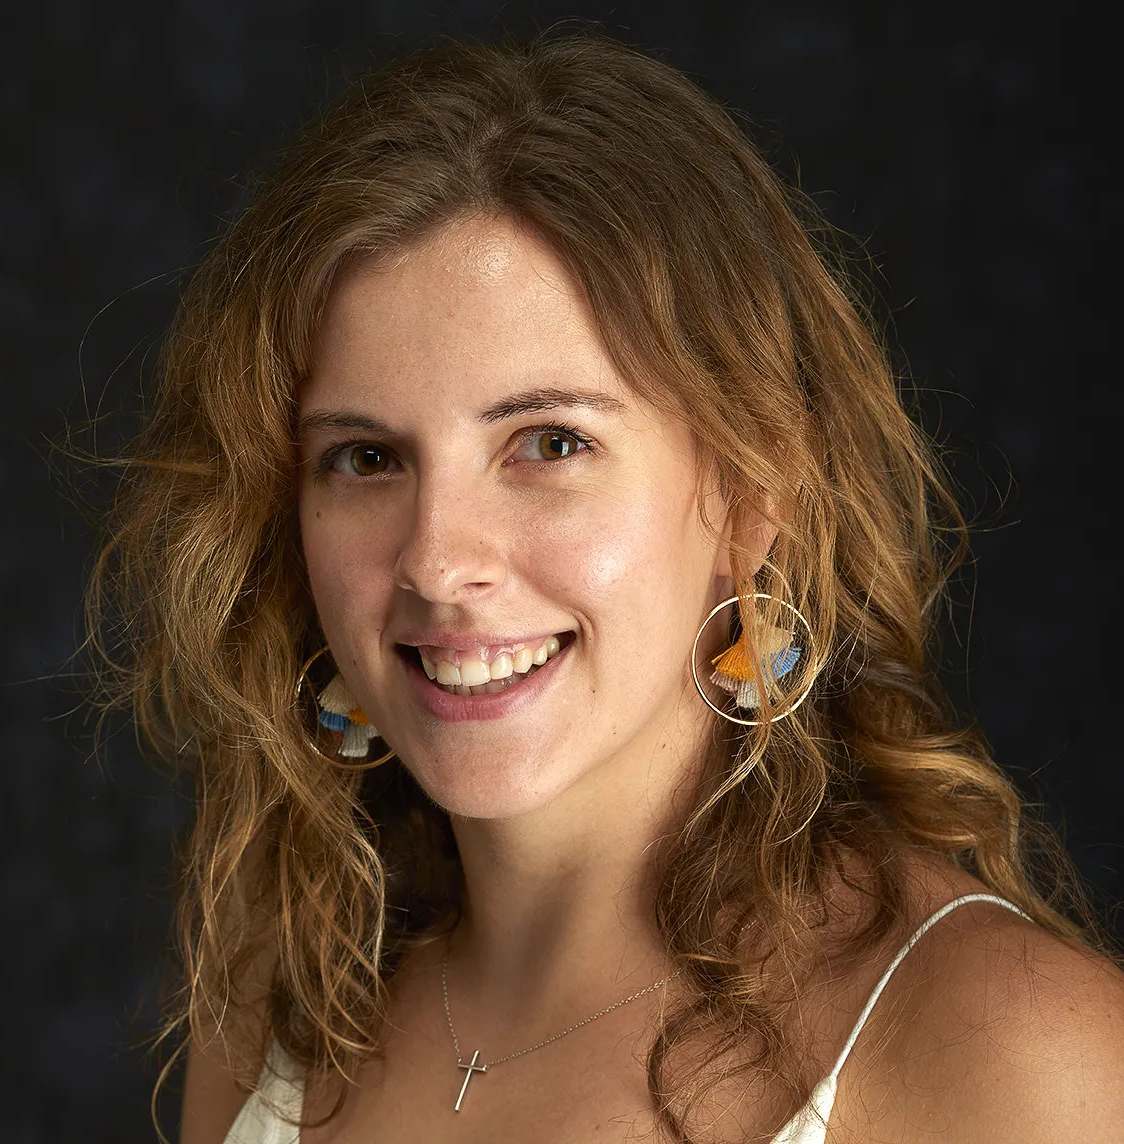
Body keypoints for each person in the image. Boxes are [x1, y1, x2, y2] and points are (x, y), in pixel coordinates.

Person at [89, 32, 1124, 1144]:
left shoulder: (1007, 1048)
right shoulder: (283, 982)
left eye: (548, 443)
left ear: (750, 492)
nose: (439, 562)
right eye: (367, 457)